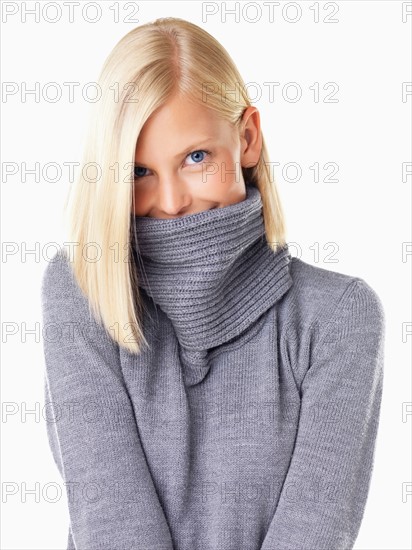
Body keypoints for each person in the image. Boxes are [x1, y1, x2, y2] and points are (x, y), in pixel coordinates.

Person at [41, 17, 385, 550]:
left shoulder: (338, 318)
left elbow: (314, 533)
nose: (173, 202)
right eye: (139, 172)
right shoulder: (82, 291)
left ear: (246, 138)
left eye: (195, 157)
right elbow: (112, 524)